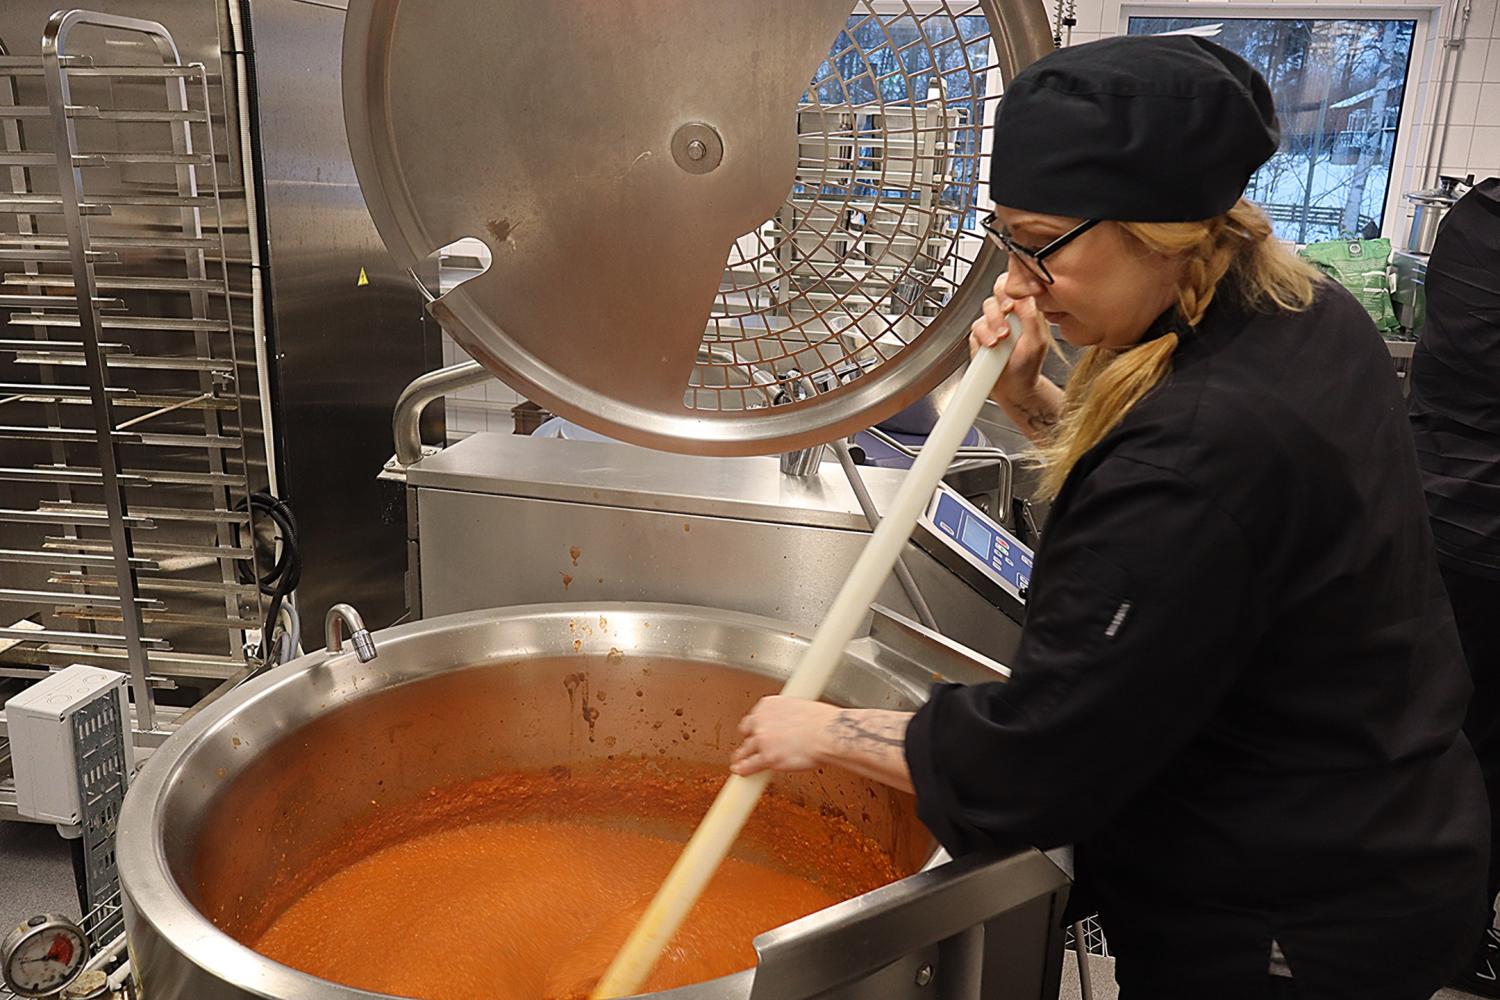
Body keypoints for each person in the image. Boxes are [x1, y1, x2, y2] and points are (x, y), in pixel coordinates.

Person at [731, 36, 1488, 1000]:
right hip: (1391, 825)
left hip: (1293, 913)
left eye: (1037, 242)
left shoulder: (1208, 445)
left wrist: (826, 732)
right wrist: (1029, 399)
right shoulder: (1293, 309)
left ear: (1161, 231)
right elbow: (1181, 513)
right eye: (1005, 238)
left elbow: (1036, 766)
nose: (1014, 279)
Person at [1408, 177, 1500, 996]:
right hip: (1475, 540)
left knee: (1455, 746)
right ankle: (1454, 949)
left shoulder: (1479, 221)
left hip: (1446, 523)